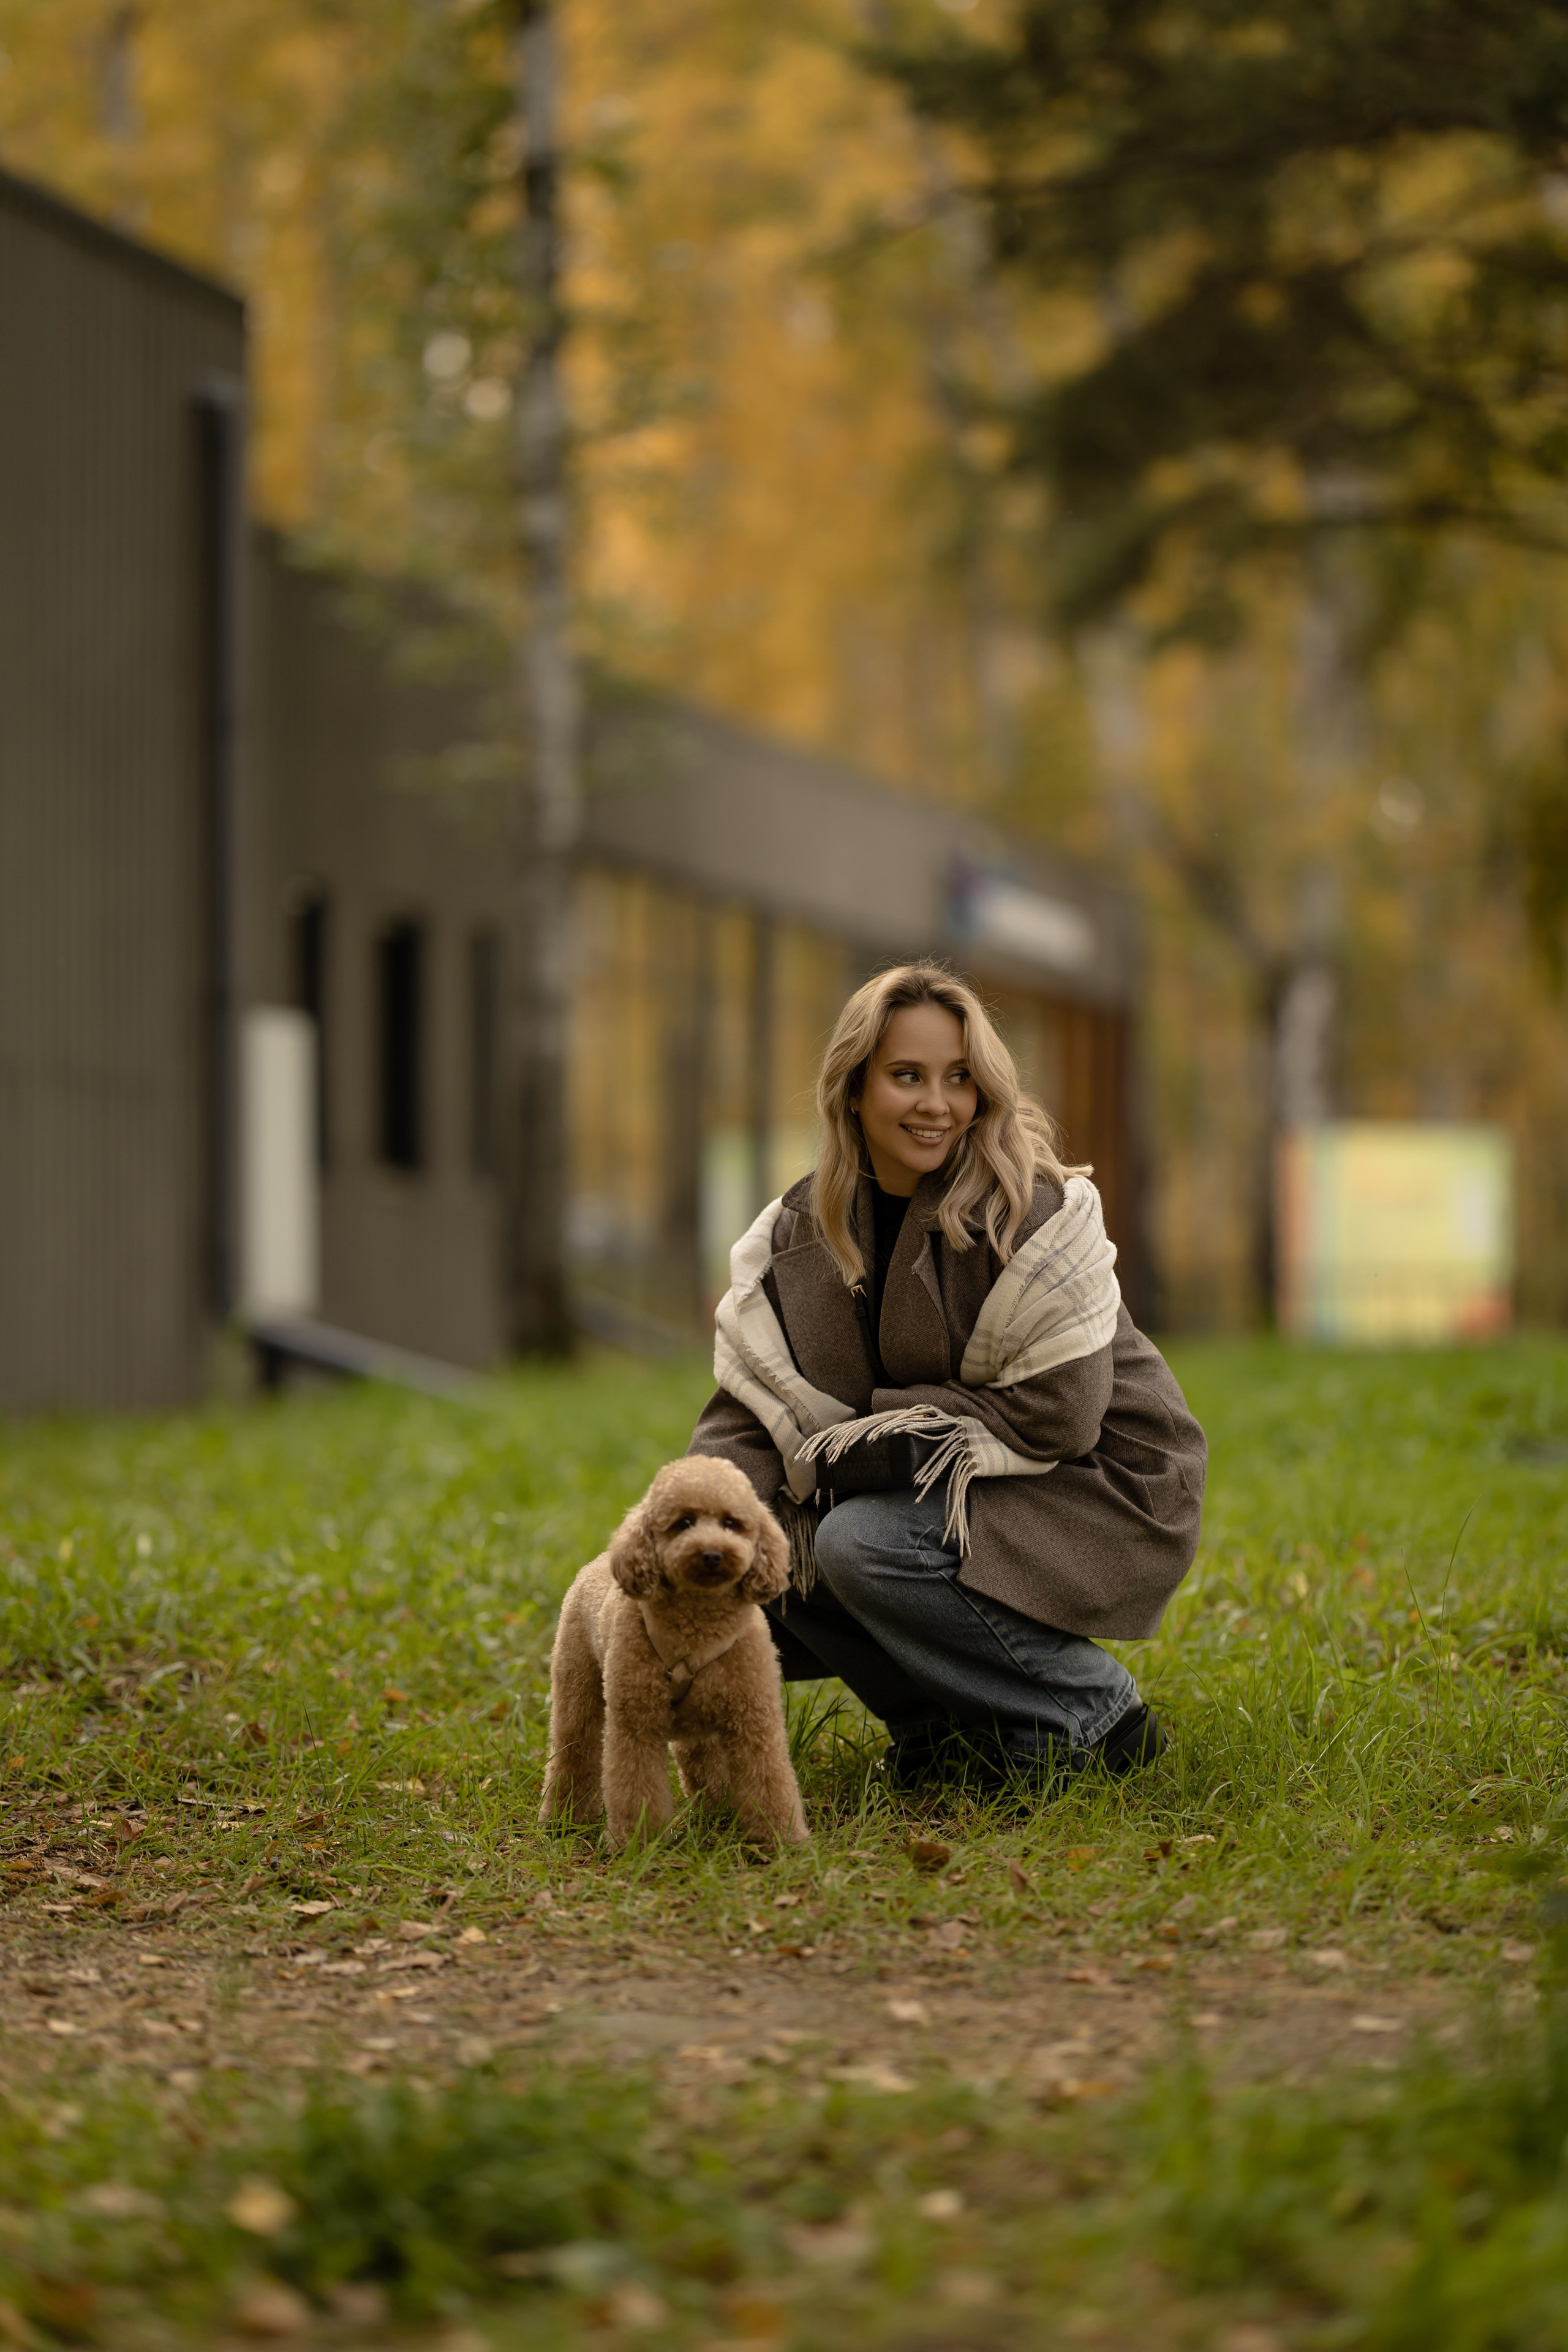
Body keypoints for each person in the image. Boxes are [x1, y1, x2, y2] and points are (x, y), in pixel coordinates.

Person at [687, 961, 1206, 1788]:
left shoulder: (1027, 1210)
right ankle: (946, 1735)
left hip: (1097, 1477)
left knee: (858, 1542)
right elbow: (748, 1414)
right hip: (944, 1477)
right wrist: (706, 1519)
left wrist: (844, 1451)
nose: (938, 1104)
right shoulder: (798, 1231)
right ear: (853, 1090)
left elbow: (1063, 1413)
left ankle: (1098, 1715)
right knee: (771, 1545)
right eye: (907, 1077)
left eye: (959, 1079)